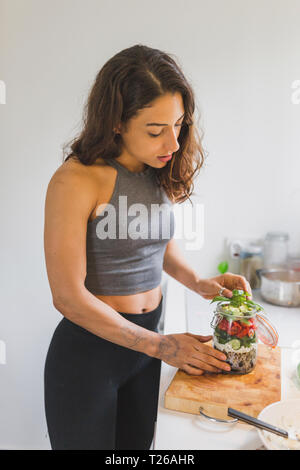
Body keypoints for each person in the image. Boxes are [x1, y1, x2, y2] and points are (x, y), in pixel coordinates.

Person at [43, 44, 251, 450]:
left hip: (149, 349)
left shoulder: (159, 167)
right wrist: (162, 346)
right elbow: (67, 297)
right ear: (117, 122)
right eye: (156, 130)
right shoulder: (75, 180)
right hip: (90, 355)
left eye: (178, 124)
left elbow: (155, 243)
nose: (172, 142)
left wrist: (198, 281)